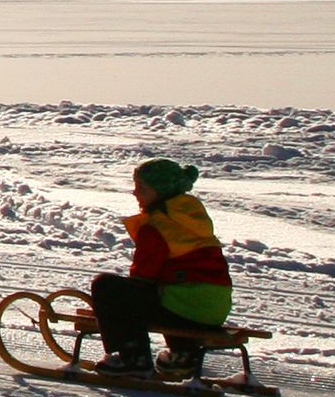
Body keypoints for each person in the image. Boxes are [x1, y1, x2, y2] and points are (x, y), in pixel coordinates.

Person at [93, 158, 234, 378]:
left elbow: (143, 275)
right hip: (214, 309)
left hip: (185, 308)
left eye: (142, 188)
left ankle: (133, 358)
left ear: (160, 191)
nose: (135, 193)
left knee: (108, 287)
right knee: (172, 289)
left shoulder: (158, 226)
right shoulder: (189, 217)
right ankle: (183, 355)